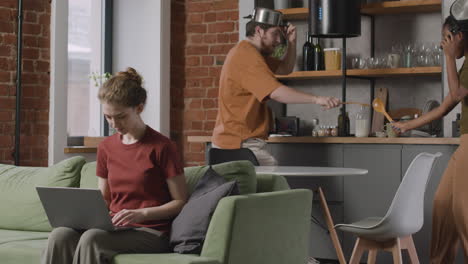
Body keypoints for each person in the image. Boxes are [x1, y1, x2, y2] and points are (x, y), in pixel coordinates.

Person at [41, 68, 188, 264]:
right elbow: (105, 197)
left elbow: (179, 202)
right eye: (108, 117)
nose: (114, 124)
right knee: (61, 235)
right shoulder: (106, 147)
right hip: (115, 227)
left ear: (139, 108)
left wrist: (141, 213)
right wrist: (82, 216)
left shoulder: (163, 147)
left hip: (151, 231)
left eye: (121, 116)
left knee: (92, 239)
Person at [212, 8, 341, 166]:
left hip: (238, 142)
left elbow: (285, 69)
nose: (279, 40)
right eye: (275, 34)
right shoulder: (246, 56)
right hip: (238, 144)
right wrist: (316, 99)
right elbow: (276, 92)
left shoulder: (254, 54)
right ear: (259, 31)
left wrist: (292, 42)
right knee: (275, 183)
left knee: (272, 185)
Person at [392, 15, 468, 263]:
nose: (441, 45)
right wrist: (407, 125)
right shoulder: (465, 65)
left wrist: (448, 57)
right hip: (465, 143)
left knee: (463, 211)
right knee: (443, 204)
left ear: (458, 36)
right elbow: (445, 107)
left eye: (445, 39)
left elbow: (456, 93)